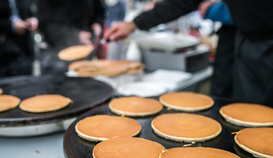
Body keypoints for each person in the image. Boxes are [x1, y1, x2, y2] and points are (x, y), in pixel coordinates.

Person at [104, 0, 273, 107]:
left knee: (256, 113)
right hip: (239, 36)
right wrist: (135, 23)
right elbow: (183, 2)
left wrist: (231, 11)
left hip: (263, 42)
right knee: (227, 103)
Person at [36, 0, 105, 73]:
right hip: (57, 59)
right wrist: (76, 36)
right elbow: (44, 24)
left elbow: (99, 11)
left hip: (86, 56)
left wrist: (97, 24)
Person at [0, 0, 38, 77]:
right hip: (5, 49)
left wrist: (33, 20)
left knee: (27, 76)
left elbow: (31, 11)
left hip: (25, 44)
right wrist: (11, 26)